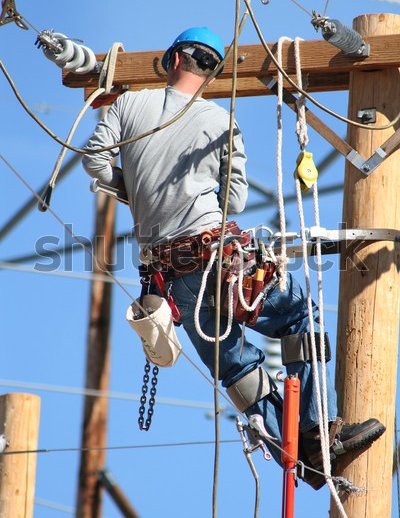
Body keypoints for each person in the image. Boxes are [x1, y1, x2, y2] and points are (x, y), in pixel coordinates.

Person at [82, 26, 385, 490]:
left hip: (171, 280)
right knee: (297, 312)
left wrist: (142, 192)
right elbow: (236, 200)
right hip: (218, 260)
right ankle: (319, 431)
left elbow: (96, 163)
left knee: (236, 366)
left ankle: (294, 449)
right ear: (210, 71)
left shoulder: (127, 104)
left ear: (173, 60)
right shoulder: (220, 121)